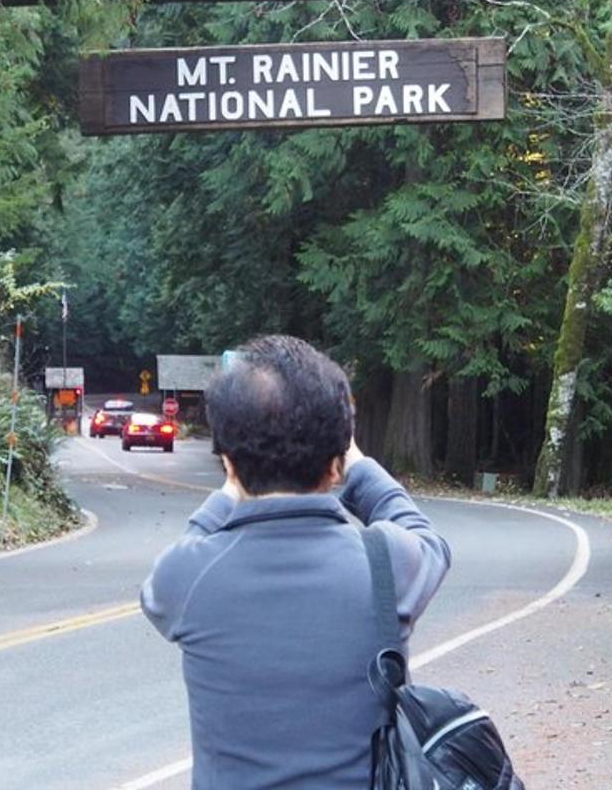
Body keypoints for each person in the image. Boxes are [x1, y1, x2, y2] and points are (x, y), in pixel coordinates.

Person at [140, 335, 451, 789]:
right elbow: (428, 538)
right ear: (336, 464)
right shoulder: (386, 562)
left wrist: (232, 488)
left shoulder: (186, 577)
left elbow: (174, 568)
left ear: (227, 461)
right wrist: (359, 467)